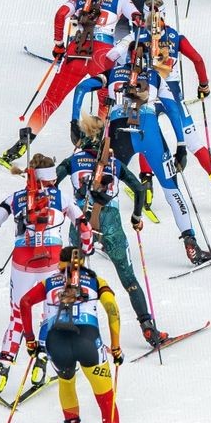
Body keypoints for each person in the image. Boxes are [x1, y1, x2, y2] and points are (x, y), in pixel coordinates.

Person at [71, 47, 211, 265]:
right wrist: (181, 145)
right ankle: (190, 242)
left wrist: (74, 122)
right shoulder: (155, 75)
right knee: (171, 187)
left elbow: (82, 88)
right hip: (150, 131)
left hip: (119, 133)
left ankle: (102, 237)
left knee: (107, 185)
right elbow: (173, 109)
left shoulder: (113, 74)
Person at [0, 0, 141, 165]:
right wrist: (127, 44)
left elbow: (60, 15)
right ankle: (99, 149)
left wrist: (58, 45)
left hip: (76, 52)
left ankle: (21, 145)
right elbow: (138, 20)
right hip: (103, 57)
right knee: (106, 102)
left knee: (51, 101)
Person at [0, 154, 94, 394]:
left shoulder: (15, 198)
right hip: (52, 266)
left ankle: (2, 372)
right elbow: (84, 225)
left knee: (17, 317)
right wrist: (88, 247)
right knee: (48, 315)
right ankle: (40, 365)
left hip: (23, 266)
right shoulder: (62, 197)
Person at [19, 247, 135, 423]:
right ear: (84, 261)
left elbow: (24, 303)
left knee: (66, 382)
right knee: (105, 397)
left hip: (57, 343)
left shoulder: (48, 282)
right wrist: (117, 347)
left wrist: (31, 341)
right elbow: (112, 310)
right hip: (88, 343)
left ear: (60, 264)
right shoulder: (96, 281)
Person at [58, 115, 168, 345]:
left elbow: (51, 185)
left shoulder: (72, 161)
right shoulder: (114, 163)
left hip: (80, 223)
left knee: (72, 277)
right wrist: (136, 215)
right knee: (129, 279)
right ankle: (148, 328)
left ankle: (66, 326)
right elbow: (138, 188)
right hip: (110, 223)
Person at [134, 0, 211, 204]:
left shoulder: (137, 37)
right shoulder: (176, 37)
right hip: (174, 95)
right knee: (195, 143)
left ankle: (146, 188)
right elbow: (198, 59)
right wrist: (203, 85)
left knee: (146, 139)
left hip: (149, 94)